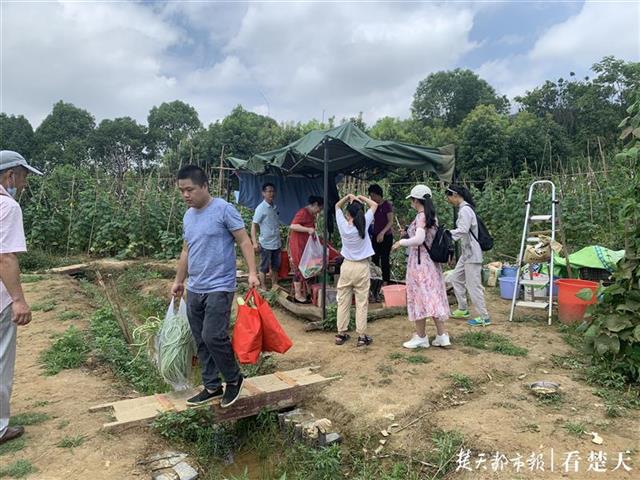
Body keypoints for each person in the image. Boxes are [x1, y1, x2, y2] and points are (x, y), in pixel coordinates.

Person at [171, 165, 260, 408]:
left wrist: (252, 272)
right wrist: (179, 280)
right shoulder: (188, 216)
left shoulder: (223, 209)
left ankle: (234, 379)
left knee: (213, 336)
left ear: (204, 186)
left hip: (220, 285)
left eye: (190, 189)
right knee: (200, 338)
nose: (185, 195)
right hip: (195, 286)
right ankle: (211, 386)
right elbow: (187, 250)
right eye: (181, 191)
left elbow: (244, 240)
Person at [0, 150, 42, 446]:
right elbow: (4, 257)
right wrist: (18, 299)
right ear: (10, 176)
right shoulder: (8, 207)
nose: (25, 182)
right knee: (1, 361)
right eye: (24, 176)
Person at [392, 185, 450, 349]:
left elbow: (418, 239)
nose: (411, 202)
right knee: (433, 296)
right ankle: (441, 335)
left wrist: (401, 242)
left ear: (416, 200)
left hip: (420, 264)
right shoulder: (432, 216)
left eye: (412, 199)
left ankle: (421, 336)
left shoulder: (421, 216)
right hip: (431, 263)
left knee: (418, 298)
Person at [334, 194, 378, 347]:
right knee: (361, 302)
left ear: (348, 214)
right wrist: (362, 198)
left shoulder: (343, 226)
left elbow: (336, 206)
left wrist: (347, 197)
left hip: (347, 266)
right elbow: (374, 205)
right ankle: (361, 336)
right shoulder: (364, 223)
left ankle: (341, 334)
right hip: (361, 267)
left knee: (343, 301)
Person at [445, 184, 491, 326]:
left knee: (473, 286)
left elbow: (463, 230)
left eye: (449, 197)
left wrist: (446, 235)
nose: (449, 201)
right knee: (456, 278)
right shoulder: (465, 209)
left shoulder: (465, 210)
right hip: (467, 253)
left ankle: (484, 316)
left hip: (472, 254)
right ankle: (463, 308)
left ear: (455, 195)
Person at [288, 196, 324, 303]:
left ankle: (310, 293)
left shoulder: (311, 214)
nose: (319, 211)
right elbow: (293, 226)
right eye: (319, 208)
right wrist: (307, 229)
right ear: (315, 204)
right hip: (298, 245)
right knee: (300, 269)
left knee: (310, 268)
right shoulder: (303, 212)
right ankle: (298, 295)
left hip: (306, 247)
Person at [251, 183, 281, 290]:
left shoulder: (274, 206)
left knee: (275, 267)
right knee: (263, 267)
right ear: (263, 193)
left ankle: (274, 286)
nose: (271, 193)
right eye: (269, 191)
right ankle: (263, 287)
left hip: (276, 243)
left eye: (273, 191)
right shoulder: (261, 208)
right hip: (265, 244)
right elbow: (254, 226)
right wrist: (254, 243)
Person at [368, 184, 394, 284]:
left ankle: (385, 281)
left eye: (373, 196)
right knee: (374, 258)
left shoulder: (386, 205)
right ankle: (375, 281)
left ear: (379, 195)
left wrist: (382, 233)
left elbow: (390, 221)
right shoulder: (374, 206)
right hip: (375, 235)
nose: (372, 198)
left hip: (386, 236)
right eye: (370, 196)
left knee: (384, 259)